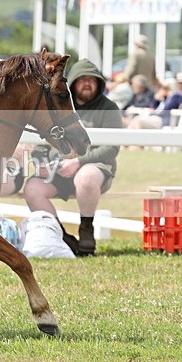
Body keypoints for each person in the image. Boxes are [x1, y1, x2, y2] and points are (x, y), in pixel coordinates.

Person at [23, 59, 123, 256]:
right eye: (82, 79)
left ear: (99, 83)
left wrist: (78, 162)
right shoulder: (59, 104)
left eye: (92, 80)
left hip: (93, 169)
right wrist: (41, 162)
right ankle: (60, 235)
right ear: (73, 82)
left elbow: (111, 148)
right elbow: (42, 140)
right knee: (32, 189)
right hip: (57, 169)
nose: (87, 83)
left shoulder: (109, 108)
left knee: (84, 177)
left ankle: (86, 229)